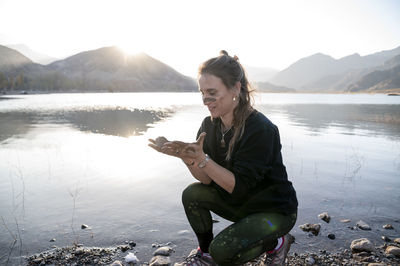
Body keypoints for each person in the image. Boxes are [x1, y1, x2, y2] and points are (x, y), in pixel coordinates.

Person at [149, 50, 298, 266]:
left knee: (223, 253)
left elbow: (239, 186)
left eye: (212, 92)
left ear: (235, 88)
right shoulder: (209, 125)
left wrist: (203, 159)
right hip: (242, 204)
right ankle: (206, 253)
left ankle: (277, 242)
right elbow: (207, 180)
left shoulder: (261, 129)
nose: (205, 100)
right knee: (192, 194)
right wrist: (187, 157)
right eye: (202, 93)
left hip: (274, 211)